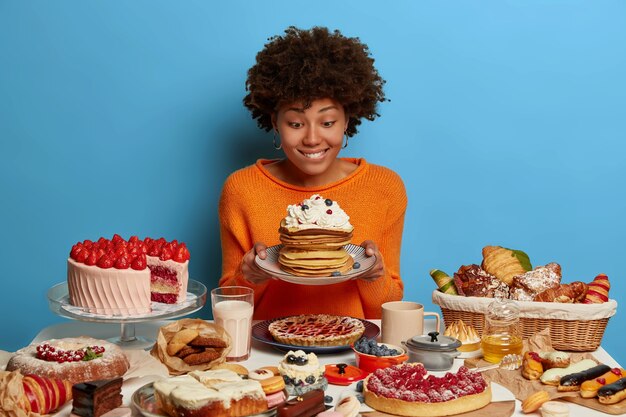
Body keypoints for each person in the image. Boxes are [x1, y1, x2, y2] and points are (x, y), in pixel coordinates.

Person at [218, 26, 407, 319]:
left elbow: (386, 310)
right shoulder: (242, 189)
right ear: (275, 123)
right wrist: (250, 277)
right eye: (296, 124)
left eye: (328, 122)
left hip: (352, 352)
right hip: (265, 356)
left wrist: (374, 275)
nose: (312, 138)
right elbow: (228, 308)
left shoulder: (384, 187)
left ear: (347, 119)